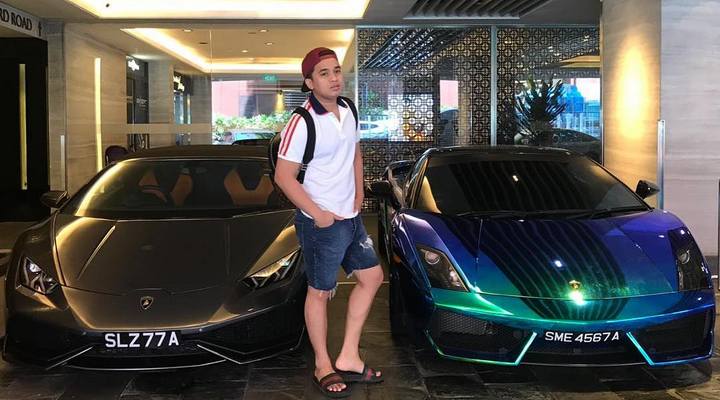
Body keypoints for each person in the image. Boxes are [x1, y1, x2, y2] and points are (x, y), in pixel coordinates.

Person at [274, 47, 384, 398]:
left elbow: (355, 152)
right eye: (324, 73)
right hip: (321, 221)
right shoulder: (302, 121)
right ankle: (323, 364)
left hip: (350, 217)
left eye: (336, 70)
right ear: (309, 82)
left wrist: (359, 192)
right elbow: (283, 176)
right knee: (320, 292)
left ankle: (349, 356)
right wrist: (319, 214)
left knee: (372, 278)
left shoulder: (349, 108)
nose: (334, 77)